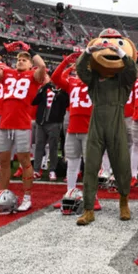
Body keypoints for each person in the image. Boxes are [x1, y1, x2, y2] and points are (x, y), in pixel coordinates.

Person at [74, 31, 138, 226]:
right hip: (96, 123)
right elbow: (81, 70)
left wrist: (121, 53)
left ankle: (124, 202)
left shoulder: (123, 81)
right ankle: (88, 209)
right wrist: (88, 52)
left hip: (117, 122)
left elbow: (132, 72)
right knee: (91, 166)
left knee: (122, 164)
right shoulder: (93, 79)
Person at [0, 41, 48, 212]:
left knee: (24, 162)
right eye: (19, 58)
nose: (20, 61)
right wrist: (4, 49)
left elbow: (42, 65)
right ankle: (3, 194)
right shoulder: (7, 73)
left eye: (24, 59)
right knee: (4, 162)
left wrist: (30, 49)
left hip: (22, 124)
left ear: (30, 64)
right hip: (5, 123)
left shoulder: (34, 76)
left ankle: (27, 196)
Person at [51, 51, 100, 210]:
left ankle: (94, 197)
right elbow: (55, 78)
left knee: (90, 165)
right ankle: (70, 194)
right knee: (72, 164)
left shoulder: (96, 82)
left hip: (89, 129)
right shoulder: (72, 82)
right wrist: (66, 62)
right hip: (73, 128)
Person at [32, 80, 68, 180]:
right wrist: (42, 88)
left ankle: (52, 170)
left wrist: (59, 94)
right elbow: (34, 101)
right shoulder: (44, 89)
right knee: (39, 146)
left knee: (53, 147)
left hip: (54, 123)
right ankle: (36, 170)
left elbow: (66, 103)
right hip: (41, 122)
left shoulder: (64, 91)